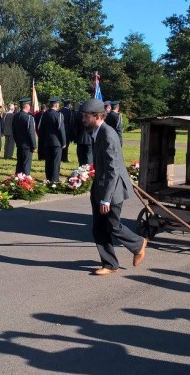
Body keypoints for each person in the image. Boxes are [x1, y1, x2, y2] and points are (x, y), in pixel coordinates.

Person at [80, 98, 147, 276]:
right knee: (98, 228)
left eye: (86, 116)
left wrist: (106, 198)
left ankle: (138, 244)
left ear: (97, 116)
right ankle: (109, 264)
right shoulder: (97, 132)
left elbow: (113, 170)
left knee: (112, 225)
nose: (83, 120)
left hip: (112, 190)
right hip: (101, 187)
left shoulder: (108, 135)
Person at [39, 97, 67, 182]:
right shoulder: (59, 115)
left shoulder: (44, 114)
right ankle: (54, 180)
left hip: (47, 141)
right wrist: (64, 142)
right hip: (57, 142)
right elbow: (61, 129)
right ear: (56, 105)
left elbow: (41, 128)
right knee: (56, 162)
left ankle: (48, 178)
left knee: (48, 161)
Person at [12, 98, 37, 175]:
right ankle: (25, 181)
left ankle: (17, 179)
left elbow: (14, 131)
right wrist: (34, 145)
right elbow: (31, 133)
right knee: (26, 164)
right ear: (26, 106)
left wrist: (17, 141)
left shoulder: (16, 116)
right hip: (27, 145)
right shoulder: (29, 117)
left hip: (19, 144)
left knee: (19, 164)